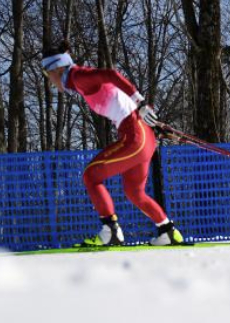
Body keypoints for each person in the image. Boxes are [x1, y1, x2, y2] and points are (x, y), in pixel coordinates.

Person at [41, 41, 184, 247]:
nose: (50, 81)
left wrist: (140, 102)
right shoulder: (77, 81)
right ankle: (167, 231)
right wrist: (152, 120)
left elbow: (110, 74)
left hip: (135, 136)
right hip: (142, 136)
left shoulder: (77, 76)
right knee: (134, 192)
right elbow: (122, 100)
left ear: (57, 68)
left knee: (91, 175)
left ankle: (111, 231)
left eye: (48, 74)